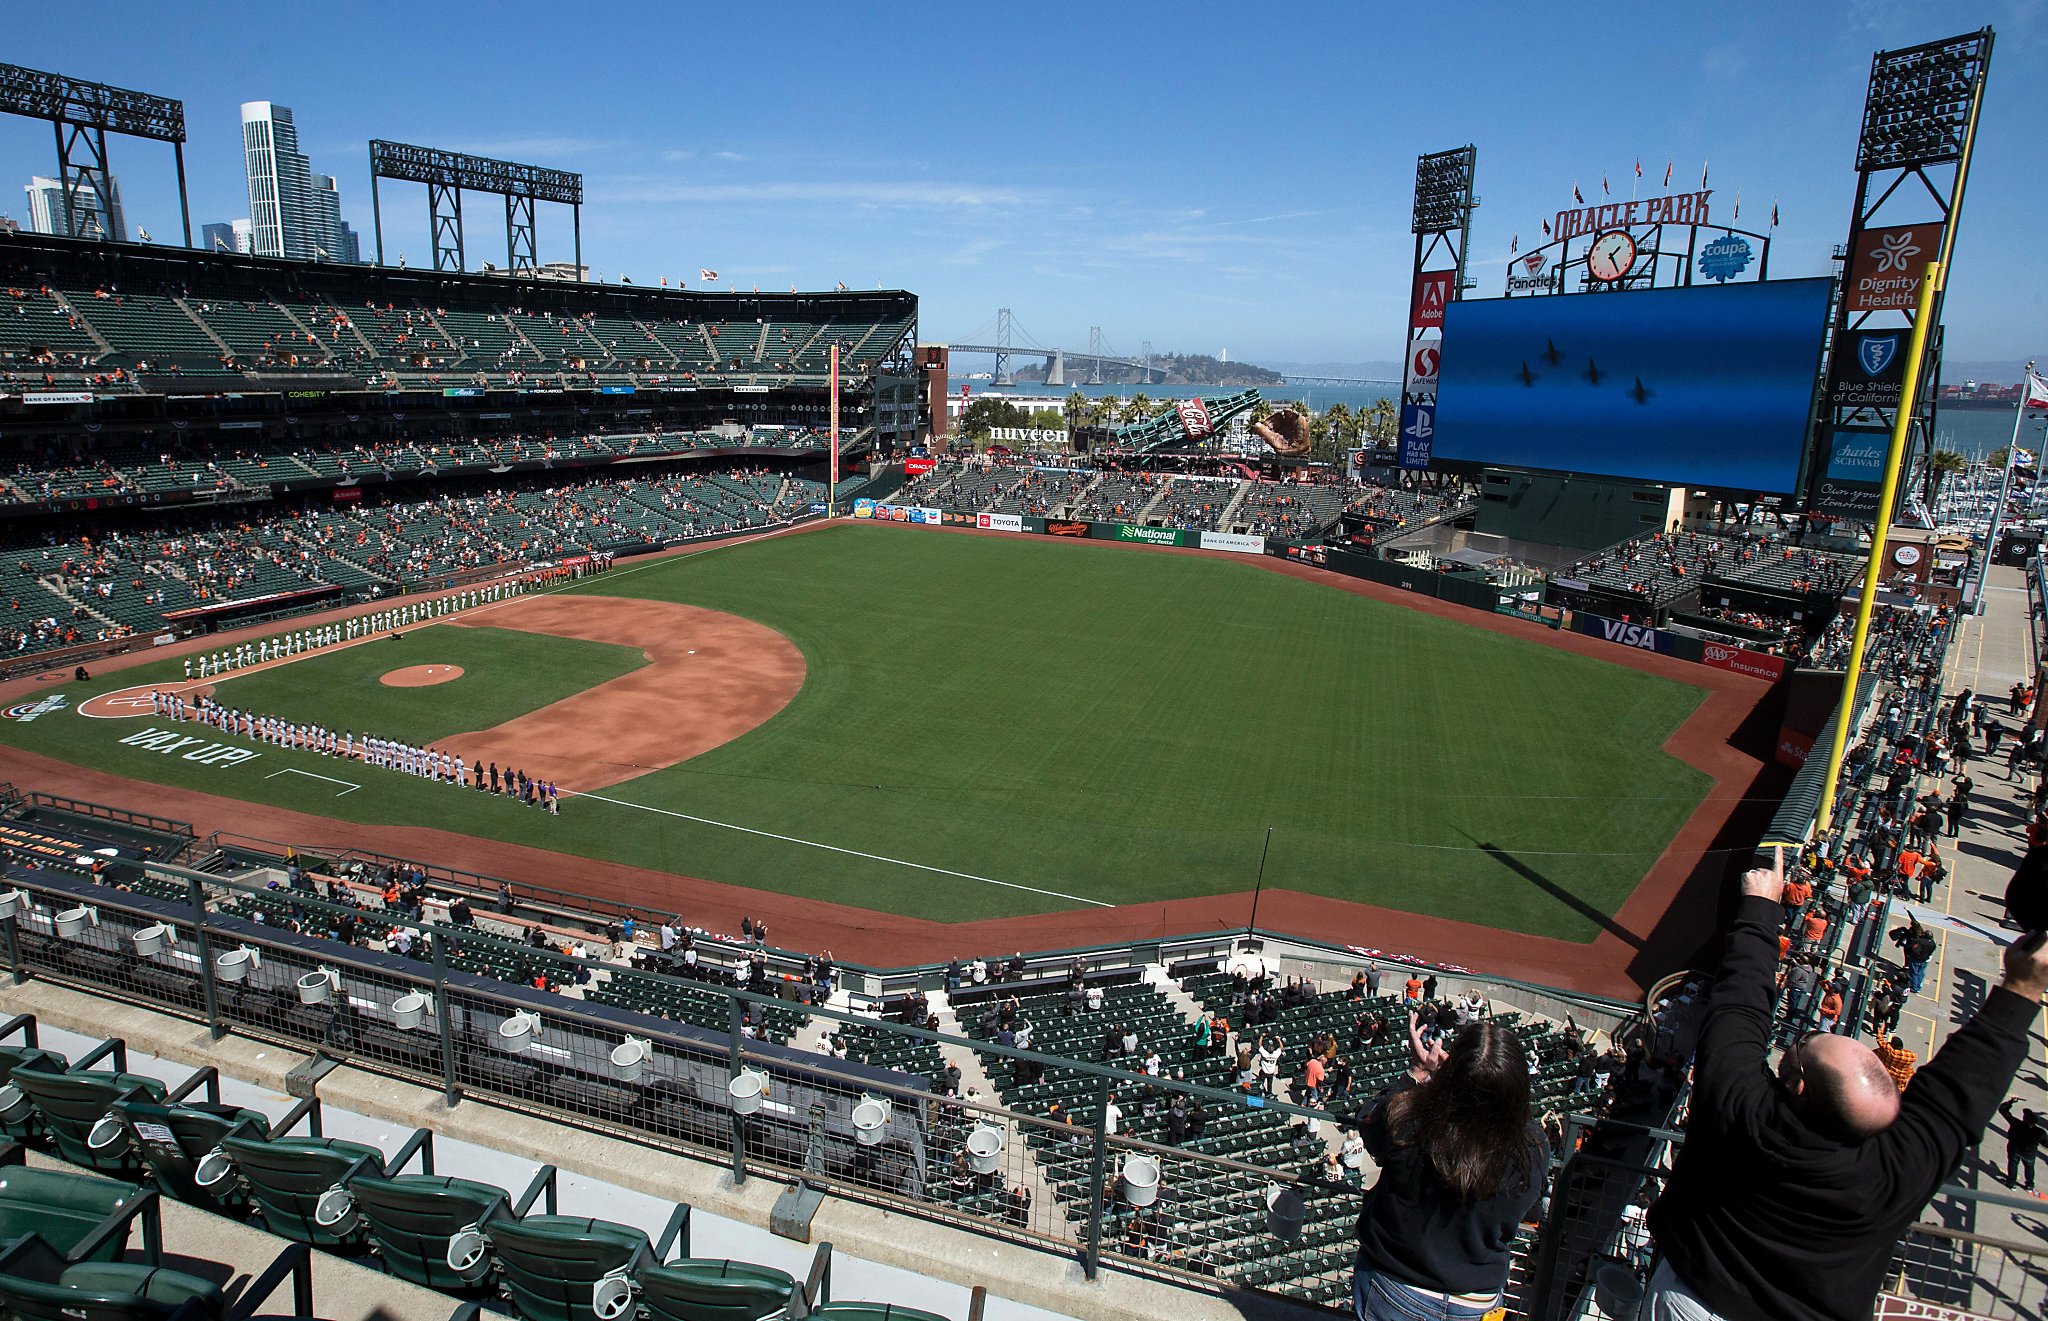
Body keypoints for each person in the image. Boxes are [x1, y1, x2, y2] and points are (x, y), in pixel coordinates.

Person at [1643, 847, 2047, 1321]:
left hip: (1692, 1300)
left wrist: (1759, 908)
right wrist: (2022, 991)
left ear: (1798, 1088)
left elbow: (1739, 1007)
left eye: (1798, 1053)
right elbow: (1959, 1095)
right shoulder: (1892, 1174)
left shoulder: (1741, 1107)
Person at [1351, 1012, 1547, 1321]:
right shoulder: (1532, 1147)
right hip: (1475, 1299)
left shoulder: (1411, 1119)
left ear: (1451, 1073)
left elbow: (1368, 1120)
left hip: (1395, 1282)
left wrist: (1418, 1072)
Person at [2000, 1101, 2046, 1191]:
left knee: (2013, 1165)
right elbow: (2046, 1144)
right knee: (2029, 1168)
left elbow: (2003, 1110)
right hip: (2030, 1152)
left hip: (2014, 1148)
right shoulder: (2040, 1132)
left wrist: (2010, 1102)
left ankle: (2011, 1183)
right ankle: (2029, 1185)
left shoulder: (2016, 1123)